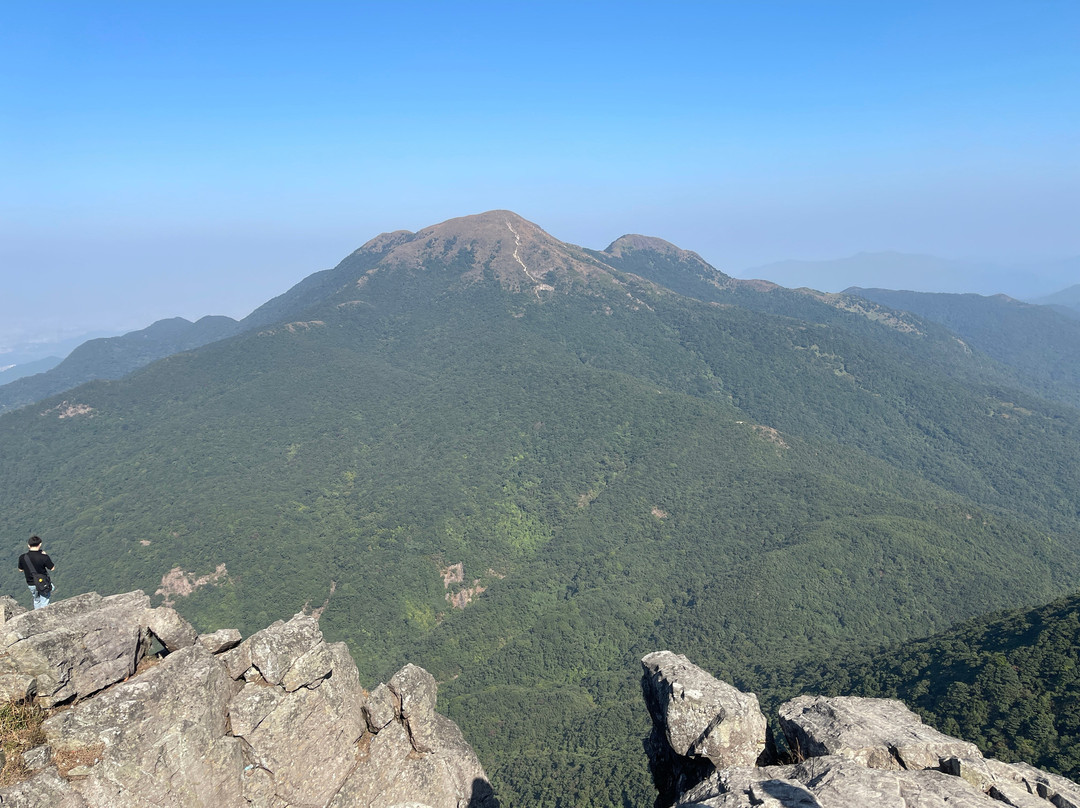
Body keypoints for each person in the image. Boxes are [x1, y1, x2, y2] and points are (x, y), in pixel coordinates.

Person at [18, 535, 56, 610]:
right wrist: (46, 555)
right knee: (45, 600)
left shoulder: (22, 557)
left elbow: (20, 569)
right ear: (40, 544)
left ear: (28, 545)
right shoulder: (44, 557)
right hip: (43, 582)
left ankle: (37, 614)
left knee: (36, 599)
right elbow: (52, 568)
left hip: (31, 583)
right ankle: (45, 616)